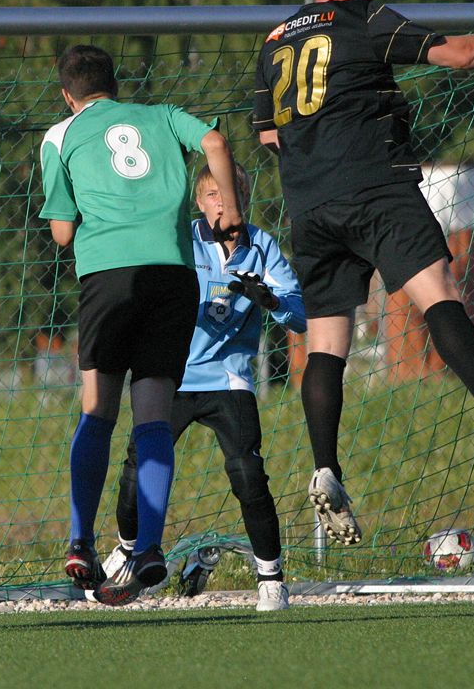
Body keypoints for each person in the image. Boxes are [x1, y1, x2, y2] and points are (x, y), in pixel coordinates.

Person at [253, 0, 474, 546]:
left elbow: (268, 135)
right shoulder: (365, 18)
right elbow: (463, 54)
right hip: (374, 187)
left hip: (309, 207)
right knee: (437, 290)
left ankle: (325, 468)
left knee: (325, 341)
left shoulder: (274, 40)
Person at [39, 44, 243, 606]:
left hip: (109, 278)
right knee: (152, 416)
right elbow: (216, 142)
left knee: (98, 411)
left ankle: (81, 542)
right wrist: (230, 210)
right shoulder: (162, 116)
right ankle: (149, 547)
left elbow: (61, 233)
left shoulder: (59, 136)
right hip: (173, 277)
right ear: (115, 84)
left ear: (67, 94)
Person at [103, 162, 306, 611]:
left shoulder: (261, 247)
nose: (221, 203)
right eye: (212, 194)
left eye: (230, 194)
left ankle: (271, 578)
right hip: (171, 373)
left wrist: (269, 300)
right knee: (138, 466)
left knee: (248, 473)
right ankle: (128, 550)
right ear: (199, 201)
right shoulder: (178, 241)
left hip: (228, 378)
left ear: (243, 200)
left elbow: (299, 315)